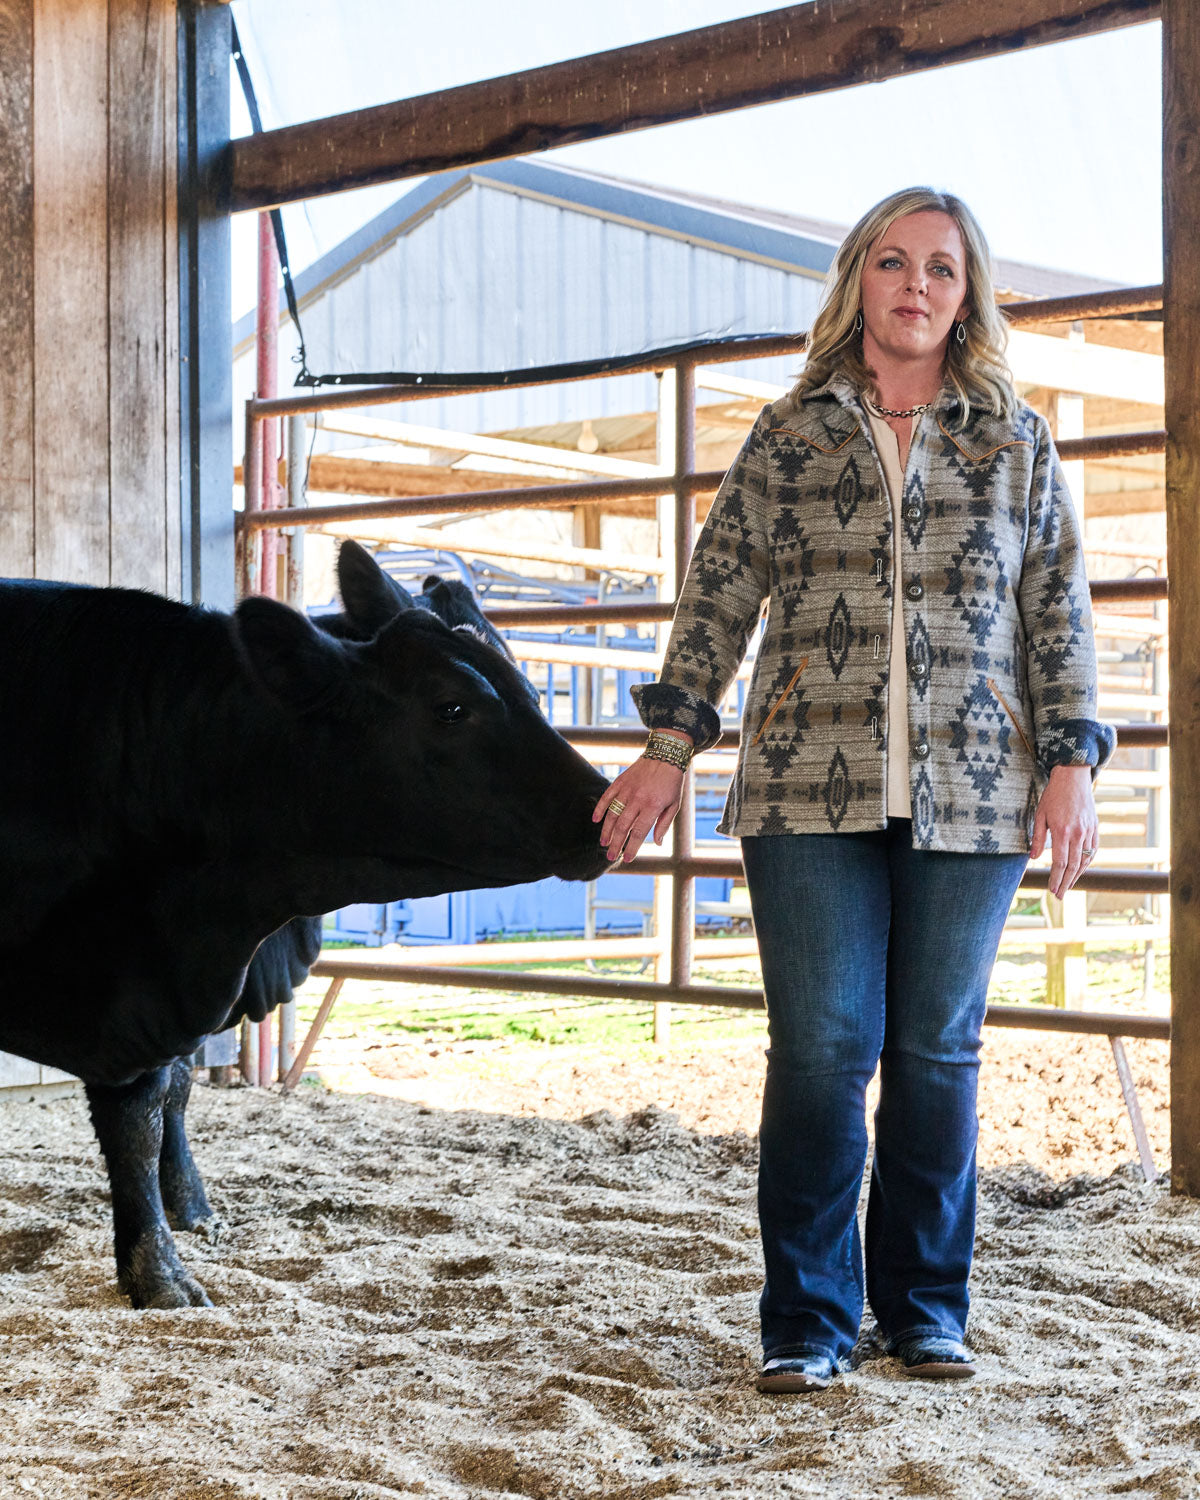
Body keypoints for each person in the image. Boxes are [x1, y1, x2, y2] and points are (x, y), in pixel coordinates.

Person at [593, 187, 1114, 1394]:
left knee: (937, 1051)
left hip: (979, 792)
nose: (916, 285)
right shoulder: (788, 435)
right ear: (858, 284)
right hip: (800, 791)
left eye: (941, 267)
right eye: (893, 263)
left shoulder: (1015, 441)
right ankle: (810, 1321)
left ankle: (927, 1310)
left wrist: (1073, 761)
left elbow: (1057, 611)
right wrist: (669, 744)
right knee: (823, 1052)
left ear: (967, 292)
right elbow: (717, 591)